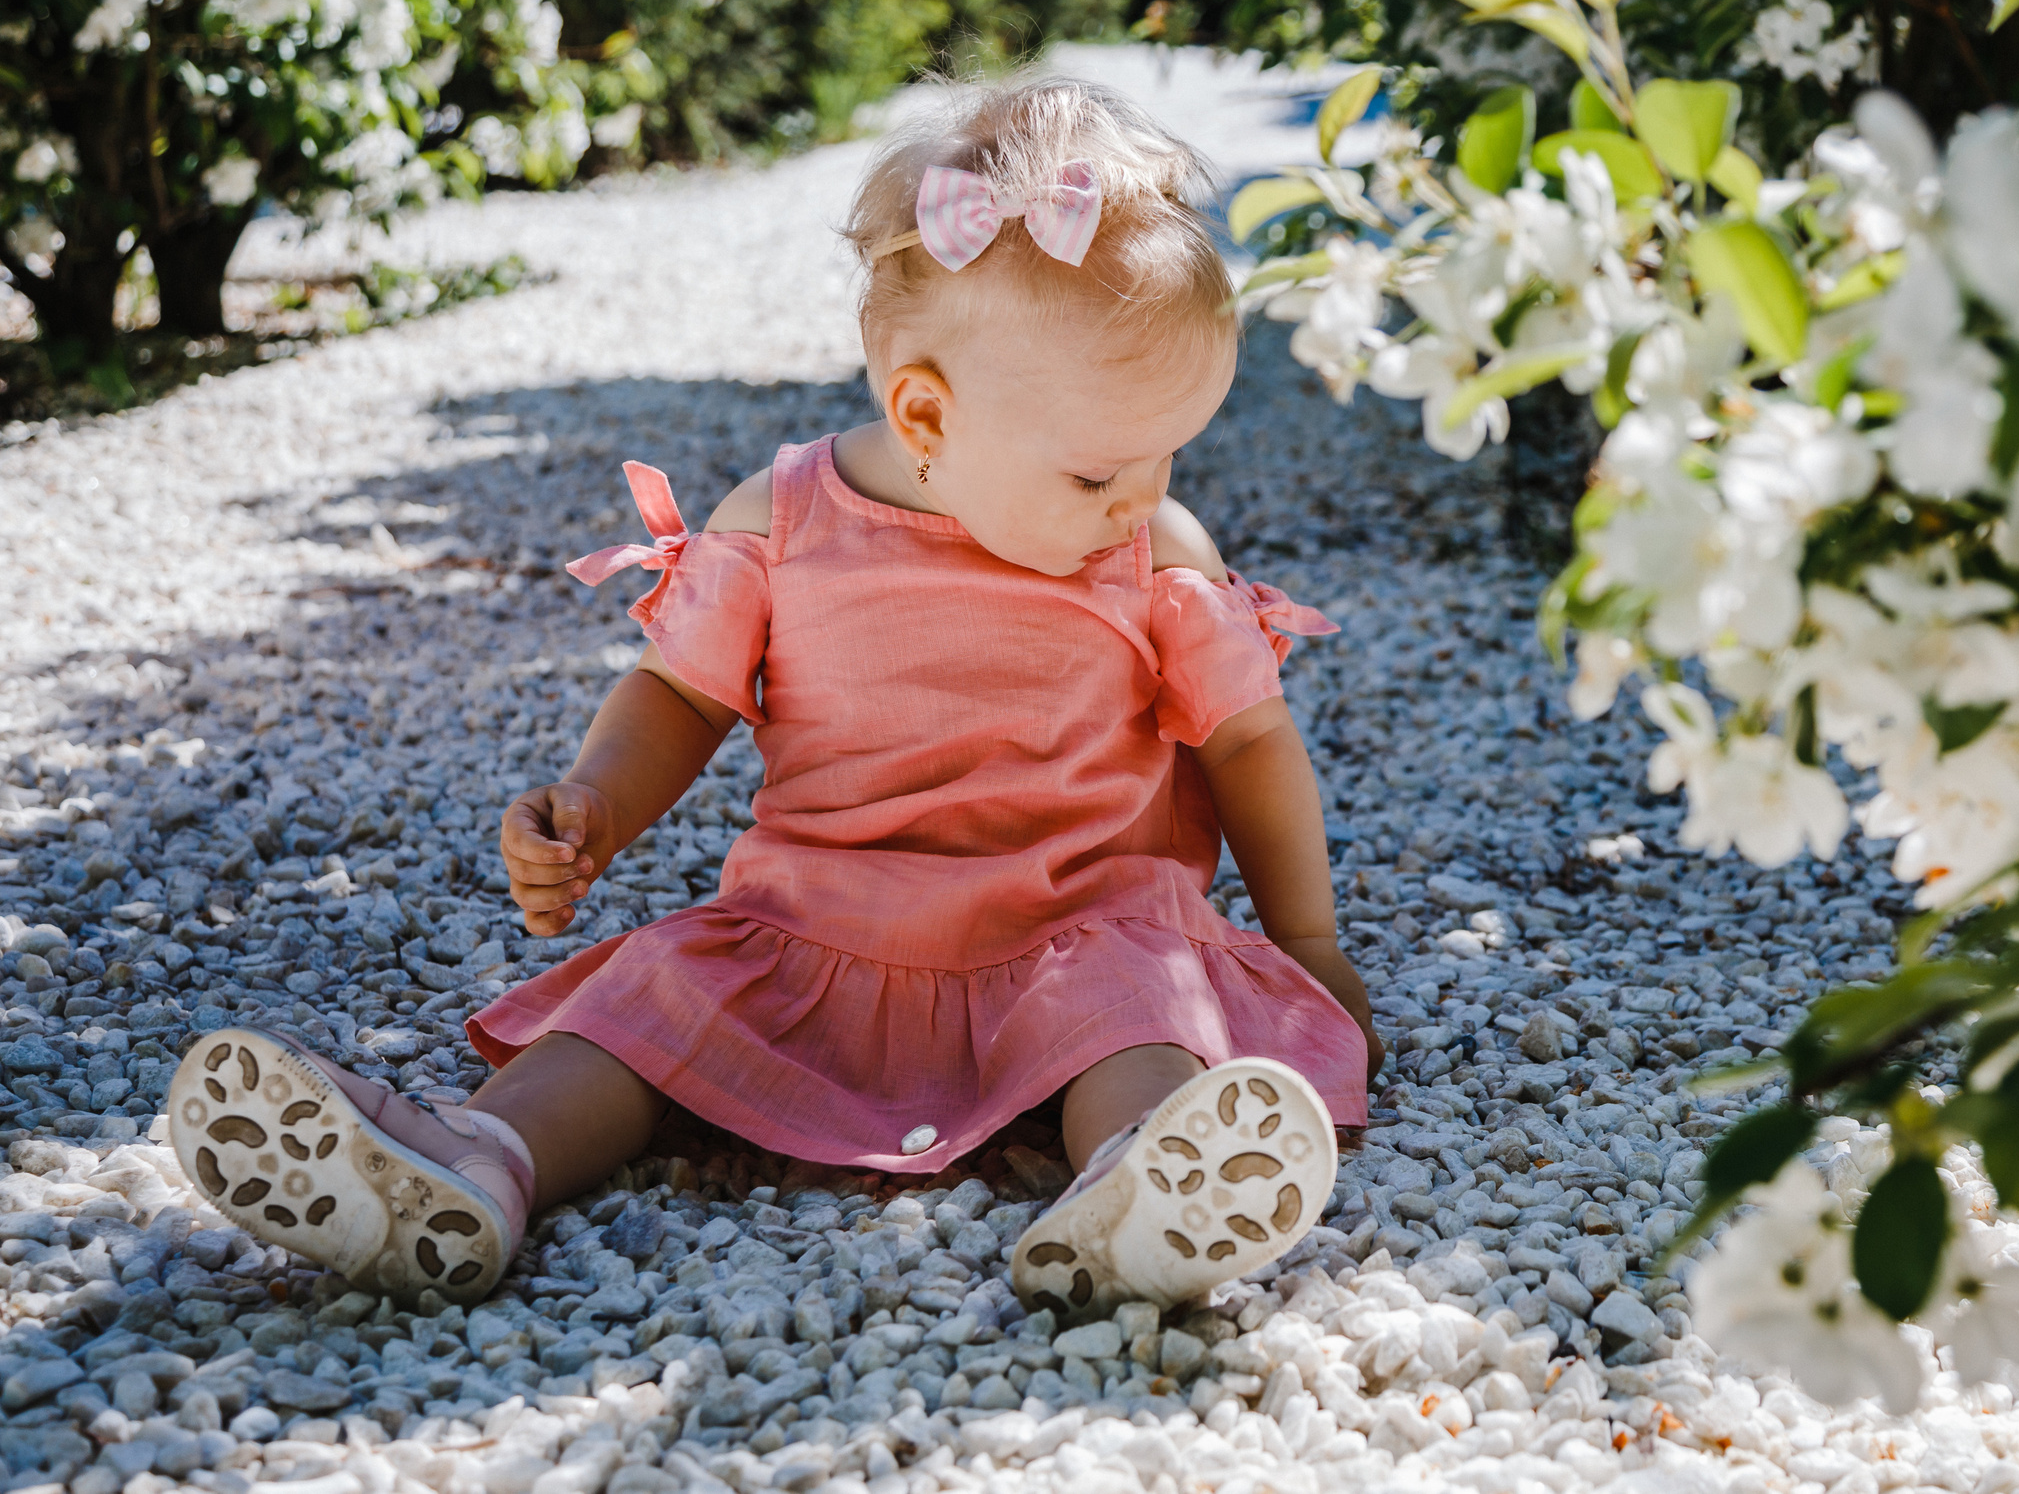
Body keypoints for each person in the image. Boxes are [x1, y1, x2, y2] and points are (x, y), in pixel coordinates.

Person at [166, 77, 1382, 1317]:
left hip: (1079, 925)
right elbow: (678, 697)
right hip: (813, 934)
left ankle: (1140, 1184)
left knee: (1142, 1014)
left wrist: (1306, 945)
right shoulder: (781, 523)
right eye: (1101, 471)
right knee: (647, 1004)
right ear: (924, 414)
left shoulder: (1155, 553)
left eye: (1171, 453)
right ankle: (478, 1161)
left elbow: (1249, 745)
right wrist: (596, 802)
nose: (1144, 495)